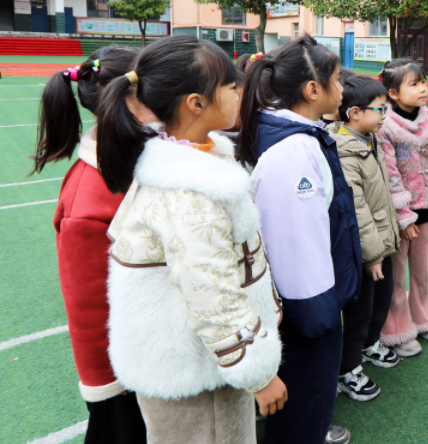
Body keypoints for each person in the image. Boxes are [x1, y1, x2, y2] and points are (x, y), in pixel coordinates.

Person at [96, 35, 286, 444]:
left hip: (199, 357)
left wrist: (267, 307)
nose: (241, 94)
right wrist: (256, 370)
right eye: (232, 87)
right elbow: (208, 286)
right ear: (195, 103)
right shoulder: (190, 191)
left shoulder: (197, 158)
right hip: (197, 370)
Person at [236, 36, 361, 444]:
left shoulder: (297, 135)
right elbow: (295, 246)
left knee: (307, 411)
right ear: (312, 90)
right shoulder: (293, 152)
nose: (342, 89)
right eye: (337, 80)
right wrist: (319, 318)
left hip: (310, 307)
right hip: (308, 312)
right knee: (303, 416)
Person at [32, 46, 147, 444]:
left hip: (150, 355)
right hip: (124, 376)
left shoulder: (136, 161)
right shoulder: (89, 198)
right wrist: (108, 385)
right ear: (130, 101)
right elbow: (87, 310)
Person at [329, 73, 402, 401]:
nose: (384, 116)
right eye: (380, 109)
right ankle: (348, 368)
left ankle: (370, 344)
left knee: (380, 299)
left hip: (381, 244)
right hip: (363, 252)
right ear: (354, 113)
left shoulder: (369, 139)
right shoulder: (345, 150)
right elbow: (357, 211)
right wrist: (372, 255)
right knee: (359, 309)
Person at [379, 58, 428, 357]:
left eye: (423, 82)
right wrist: (403, 217)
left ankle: (425, 317)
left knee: (422, 269)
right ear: (394, 93)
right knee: (396, 273)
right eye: (414, 84)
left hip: (426, 208)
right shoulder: (385, 127)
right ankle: (397, 328)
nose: (424, 89)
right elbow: (390, 176)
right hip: (399, 214)